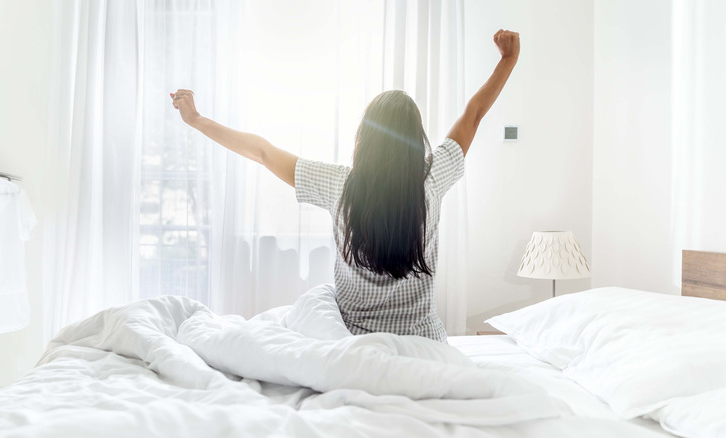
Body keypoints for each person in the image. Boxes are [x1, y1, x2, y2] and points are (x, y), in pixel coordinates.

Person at [172, 29, 520, 342]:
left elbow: (263, 152)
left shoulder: (339, 185)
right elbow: (474, 113)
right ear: (417, 141)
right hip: (422, 342)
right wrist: (508, 60)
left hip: (352, 344)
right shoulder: (433, 179)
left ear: (364, 139)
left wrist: (197, 120)